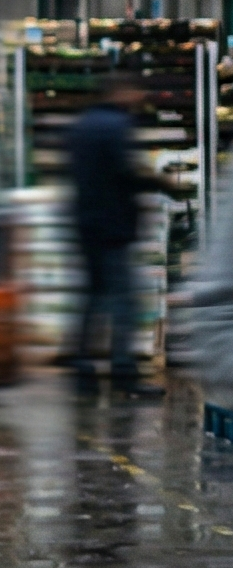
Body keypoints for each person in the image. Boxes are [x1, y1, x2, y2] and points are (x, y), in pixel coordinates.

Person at [67, 72, 163, 397]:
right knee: (125, 302)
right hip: (113, 226)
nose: (140, 98)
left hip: (86, 222)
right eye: (136, 90)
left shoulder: (82, 124)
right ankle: (124, 373)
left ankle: (82, 370)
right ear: (121, 91)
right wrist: (162, 183)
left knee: (92, 298)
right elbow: (127, 171)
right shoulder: (118, 126)